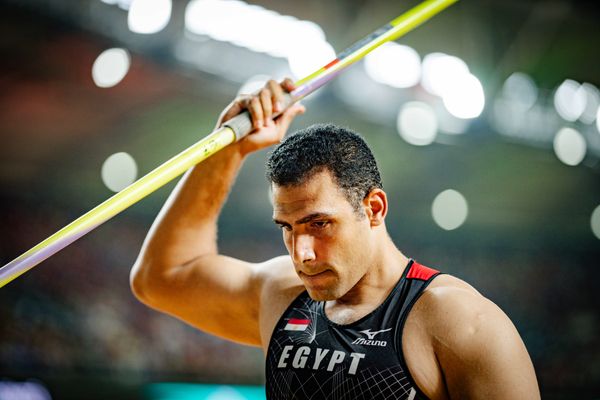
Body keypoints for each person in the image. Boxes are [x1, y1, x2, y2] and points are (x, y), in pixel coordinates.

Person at [130, 79, 540, 399]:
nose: (301, 254)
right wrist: (227, 150)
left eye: (319, 224)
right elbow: (162, 276)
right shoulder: (282, 294)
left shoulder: (461, 323)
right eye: (286, 228)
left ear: (374, 208)